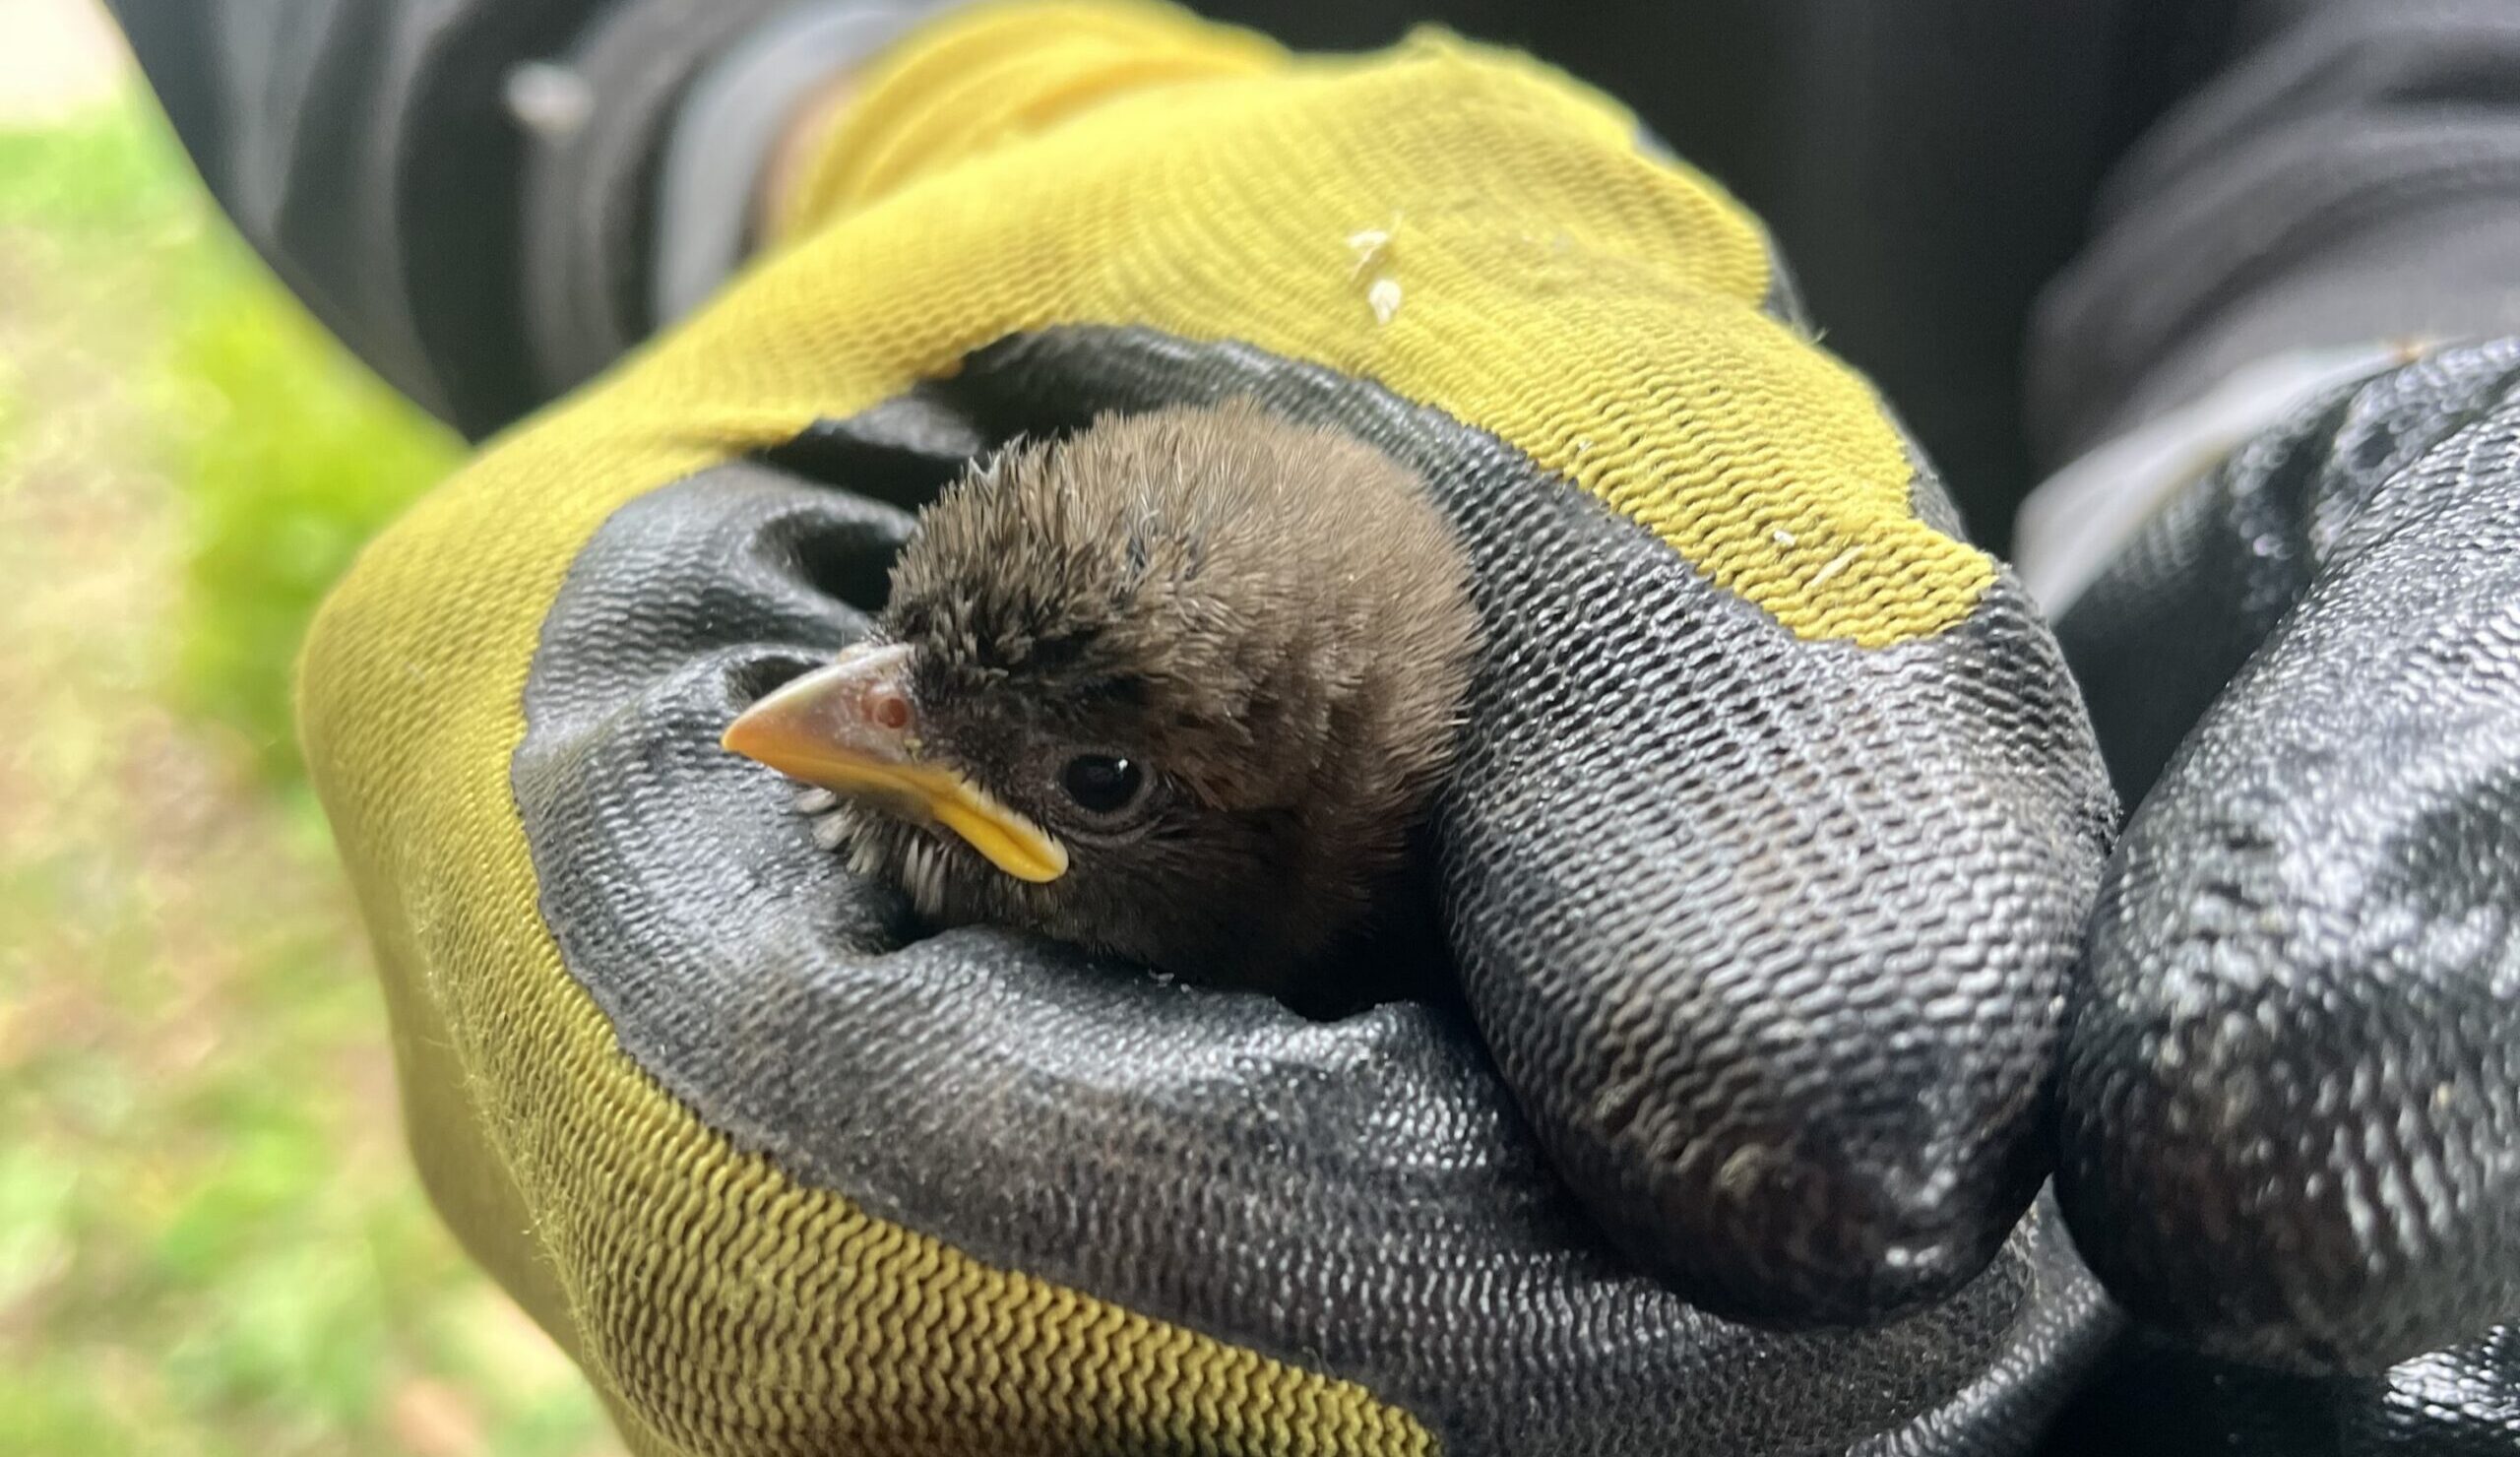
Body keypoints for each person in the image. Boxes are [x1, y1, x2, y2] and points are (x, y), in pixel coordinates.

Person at [100, 1, 2520, 1453]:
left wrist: (2348, 416)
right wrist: (853, 116)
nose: (830, 715)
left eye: (1098, 781)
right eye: (905, 664)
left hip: (2017, 496)